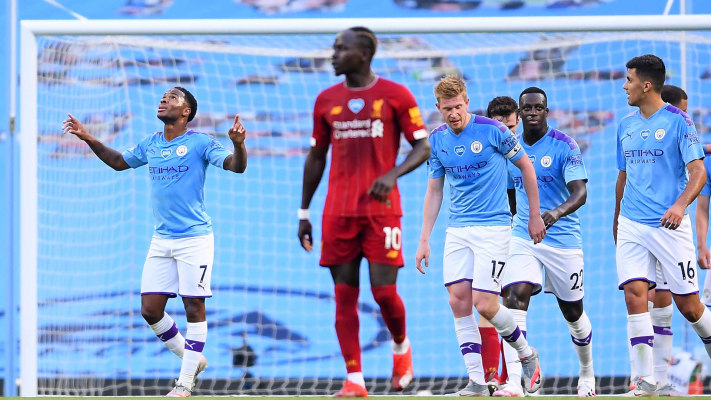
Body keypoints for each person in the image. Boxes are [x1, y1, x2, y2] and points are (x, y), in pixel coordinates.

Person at [63, 87, 248, 397]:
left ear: (186, 112)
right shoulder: (151, 143)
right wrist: (88, 138)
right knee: (150, 310)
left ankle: (184, 383)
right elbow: (119, 162)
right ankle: (193, 359)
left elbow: (235, 166)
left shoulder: (200, 142)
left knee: (194, 306)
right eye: (163, 96)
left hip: (195, 238)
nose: (164, 99)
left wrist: (239, 145)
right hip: (162, 239)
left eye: (173, 97)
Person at [297, 26, 430, 398]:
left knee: (384, 293)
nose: (334, 54)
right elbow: (316, 157)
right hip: (337, 213)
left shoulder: (396, 95)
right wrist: (304, 211)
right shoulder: (326, 100)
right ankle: (354, 379)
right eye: (334, 48)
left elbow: (423, 147)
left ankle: (400, 346)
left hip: (381, 212)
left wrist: (392, 175)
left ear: (364, 54)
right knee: (344, 297)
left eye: (341, 48)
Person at [416, 75, 544, 396]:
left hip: (493, 228)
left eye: (458, 106)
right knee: (457, 301)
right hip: (457, 229)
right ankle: (476, 380)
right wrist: (424, 239)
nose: (453, 114)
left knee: (485, 304)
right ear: (438, 108)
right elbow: (434, 190)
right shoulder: (437, 140)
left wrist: (534, 216)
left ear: (467, 103)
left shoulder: (493, 131)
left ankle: (526, 353)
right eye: (447, 109)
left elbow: (527, 167)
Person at [614, 54, 711, 396]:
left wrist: (679, 205)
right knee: (634, 296)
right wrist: (616, 220)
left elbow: (698, 172)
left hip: (669, 227)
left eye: (628, 80)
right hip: (631, 224)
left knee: (690, 307)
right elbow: (622, 177)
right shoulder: (625, 125)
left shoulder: (679, 122)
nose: (624, 86)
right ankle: (645, 381)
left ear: (646, 85)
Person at [495, 87, 594, 397]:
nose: (533, 112)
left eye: (538, 107)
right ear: (520, 113)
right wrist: (520, 222)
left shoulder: (565, 145)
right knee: (514, 298)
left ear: (547, 111)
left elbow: (580, 192)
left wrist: (554, 214)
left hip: (563, 240)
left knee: (573, 313)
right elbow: (511, 195)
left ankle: (587, 372)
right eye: (527, 108)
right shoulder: (511, 149)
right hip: (524, 237)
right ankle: (515, 381)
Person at [627, 84, 690, 396]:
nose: (686, 117)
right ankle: (643, 380)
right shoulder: (642, 129)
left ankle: (660, 382)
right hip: (642, 225)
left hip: (671, 229)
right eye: (683, 110)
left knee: (671, 307)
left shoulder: (681, 132)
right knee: (640, 300)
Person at [481, 95, 521, 392]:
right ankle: (490, 377)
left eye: (510, 125)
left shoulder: (526, 152)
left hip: (519, 235)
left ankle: (512, 375)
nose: (506, 131)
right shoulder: (484, 151)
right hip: (490, 232)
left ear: (517, 121)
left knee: (511, 304)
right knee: (485, 303)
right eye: (500, 125)